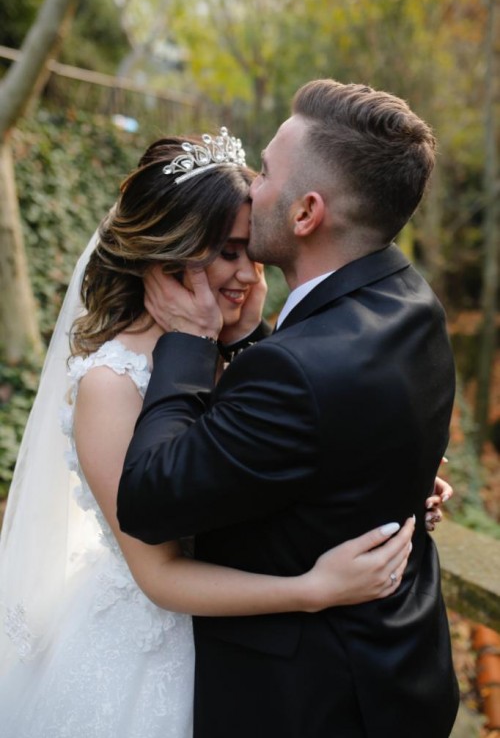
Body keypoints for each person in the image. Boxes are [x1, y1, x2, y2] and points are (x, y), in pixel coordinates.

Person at [0, 131, 427, 738]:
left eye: (250, 251)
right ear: (169, 257)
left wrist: (384, 477)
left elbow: (282, 459)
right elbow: (159, 576)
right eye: (227, 252)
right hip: (151, 658)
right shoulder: (112, 384)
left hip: (247, 657)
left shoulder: (246, 351)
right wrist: (312, 589)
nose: (249, 272)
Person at [118, 82, 460, 738]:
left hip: (310, 705)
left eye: (266, 173)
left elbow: (149, 501)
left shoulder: (296, 370)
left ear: (306, 213)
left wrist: (191, 344)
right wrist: (398, 478)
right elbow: (331, 420)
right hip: (407, 674)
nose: (251, 189)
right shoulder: (412, 299)